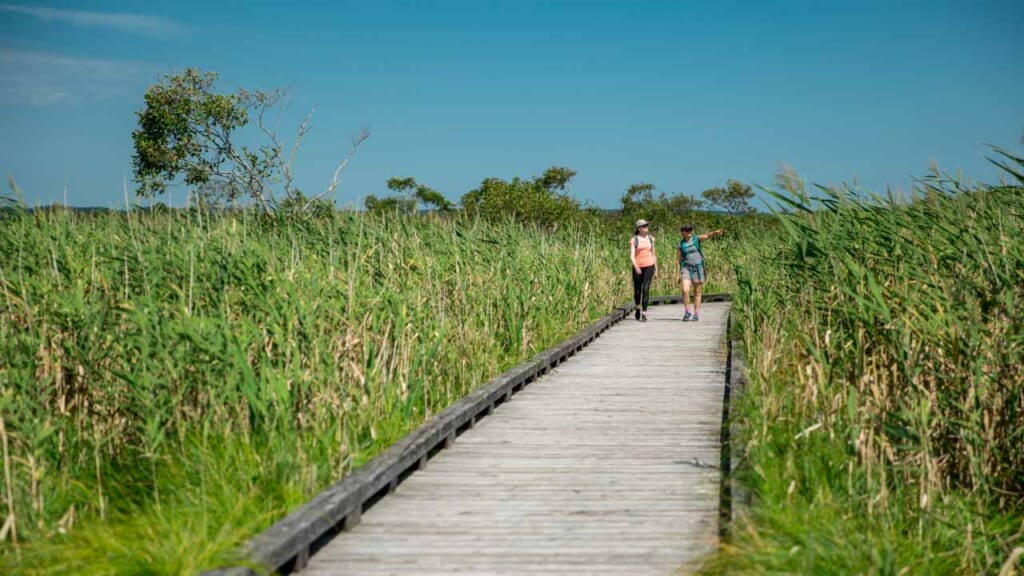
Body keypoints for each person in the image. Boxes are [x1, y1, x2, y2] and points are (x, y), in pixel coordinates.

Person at [676, 224, 724, 321]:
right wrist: (677, 274)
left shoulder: (696, 239)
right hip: (686, 268)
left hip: (698, 267)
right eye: (687, 230)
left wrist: (715, 232)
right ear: (682, 232)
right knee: (685, 290)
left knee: (697, 292)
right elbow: (677, 260)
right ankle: (687, 311)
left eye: (690, 230)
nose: (689, 232)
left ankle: (696, 313)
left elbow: (707, 235)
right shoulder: (680, 244)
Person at [629, 219, 658, 322]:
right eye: (644, 226)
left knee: (646, 288)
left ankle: (644, 313)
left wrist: (656, 269)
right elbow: (632, 256)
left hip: (649, 265)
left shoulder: (651, 239)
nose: (646, 228)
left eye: (647, 226)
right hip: (638, 266)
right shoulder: (634, 240)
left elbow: (654, 254)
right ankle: (638, 307)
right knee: (637, 290)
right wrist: (636, 267)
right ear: (639, 228)